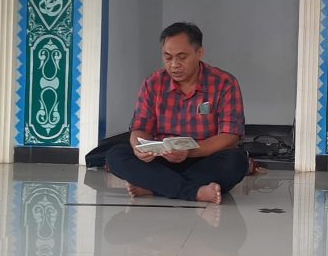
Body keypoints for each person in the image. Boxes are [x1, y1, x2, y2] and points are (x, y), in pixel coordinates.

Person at [106, 22, 248, 204]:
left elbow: (230, 136)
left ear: (199, 53)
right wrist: (139, 147)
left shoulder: (225, 83)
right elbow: (140, 128)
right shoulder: (153, 83)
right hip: (162, 159)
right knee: (116, 155)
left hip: (203, 157)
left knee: (236, 161)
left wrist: (189, 152)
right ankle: (194, 191)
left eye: (182, 57)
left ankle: (155, 186)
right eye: (168, 57)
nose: (174, 65)